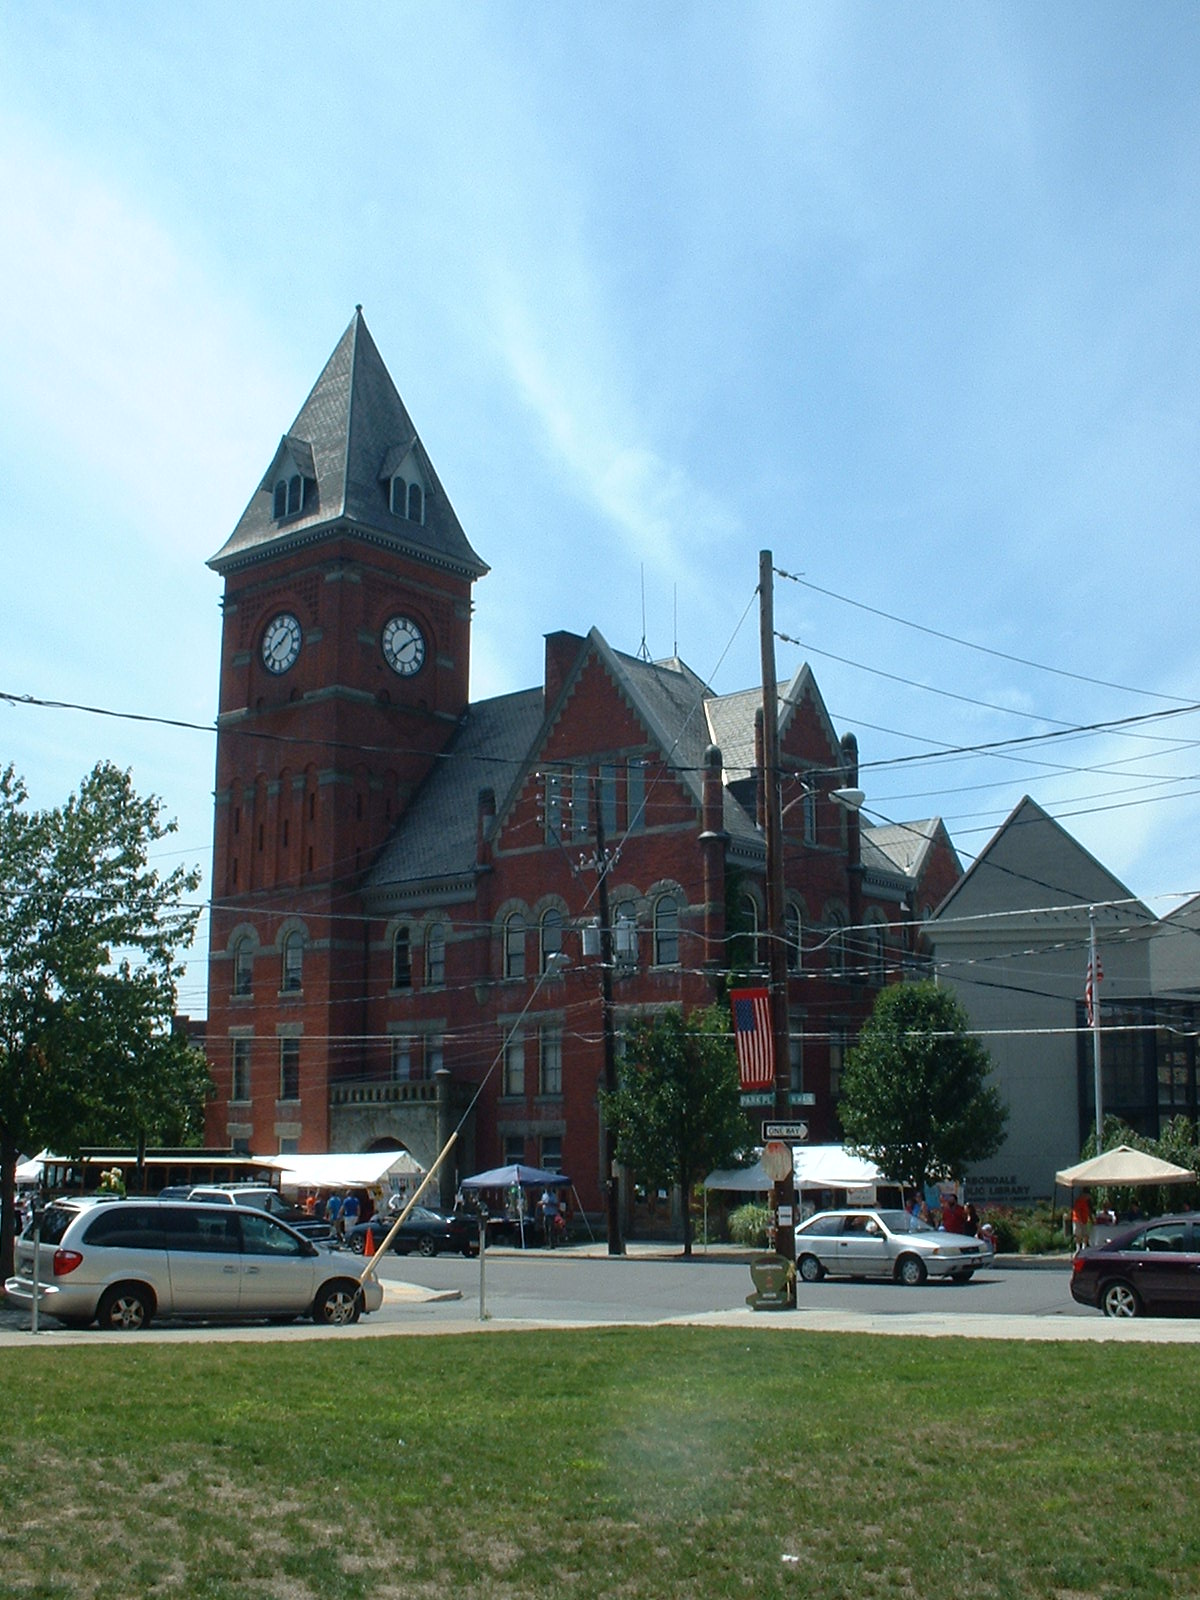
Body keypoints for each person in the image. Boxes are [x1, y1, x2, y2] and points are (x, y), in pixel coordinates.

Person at [1071, 1188, 1092, 1252]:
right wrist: (1081, 1220)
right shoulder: (1079, 1201)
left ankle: (1084, 1247)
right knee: (1078, 1234)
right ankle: (1078, 1247)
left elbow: (1088, 1212)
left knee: (1085, 1234)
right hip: (1078, 1220)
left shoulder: (1085, 1202)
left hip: (1084, 1221)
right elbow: (1078, 1211)